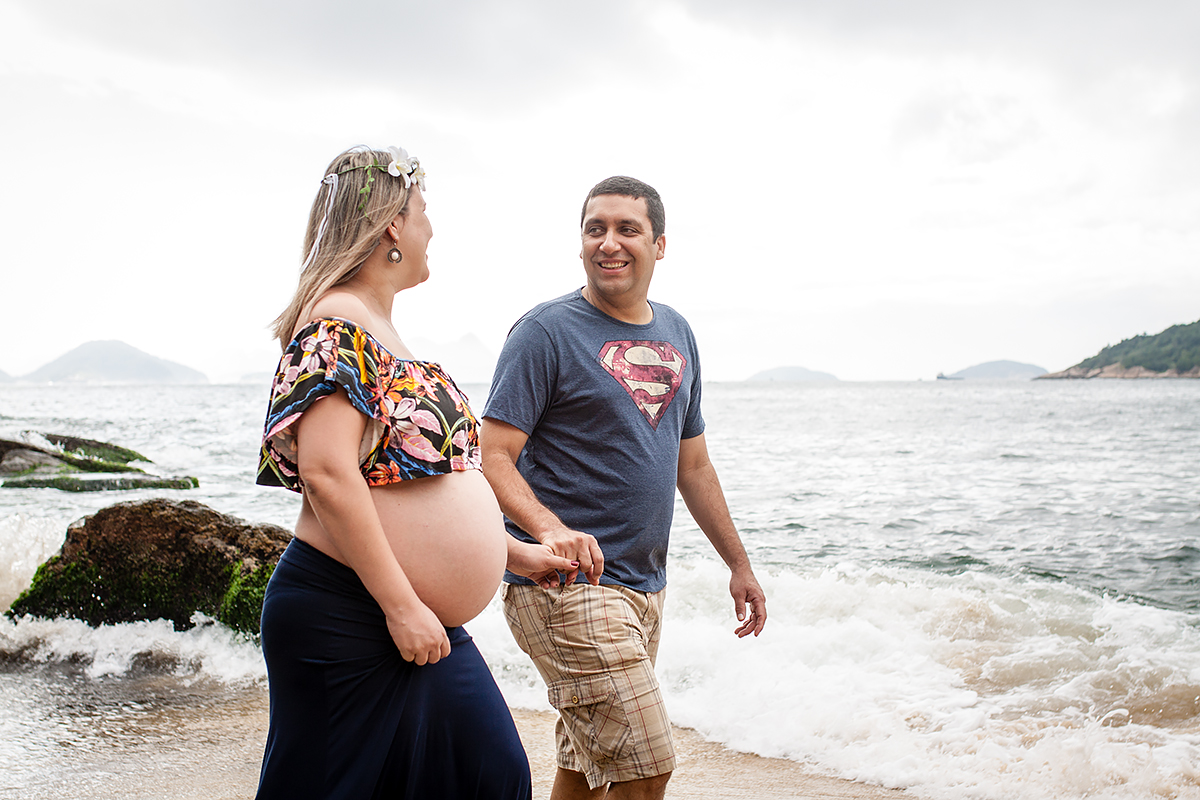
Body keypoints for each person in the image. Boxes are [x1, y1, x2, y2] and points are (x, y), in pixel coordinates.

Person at [254, 145, 575, 800]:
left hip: (402, 610)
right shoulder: (337, 318)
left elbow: (402, 480)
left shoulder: (378, 327)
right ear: (393, 225)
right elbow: (327, 472)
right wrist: (401, 607)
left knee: (492, 775)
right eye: (424, 212)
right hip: (348, 610)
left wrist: (512, 552)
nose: (433, 229)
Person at [480, 176, 768, 800]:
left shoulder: (678, 333)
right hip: (564, 584)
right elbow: (493, 455)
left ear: (659, 245)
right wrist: (550, 529)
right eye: (596, 229)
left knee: (587, 772)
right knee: (647, 766)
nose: (609, 243)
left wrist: (738, 564)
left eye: (627, 229)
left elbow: (694, 467)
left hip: (644, 587)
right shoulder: (546, 332)